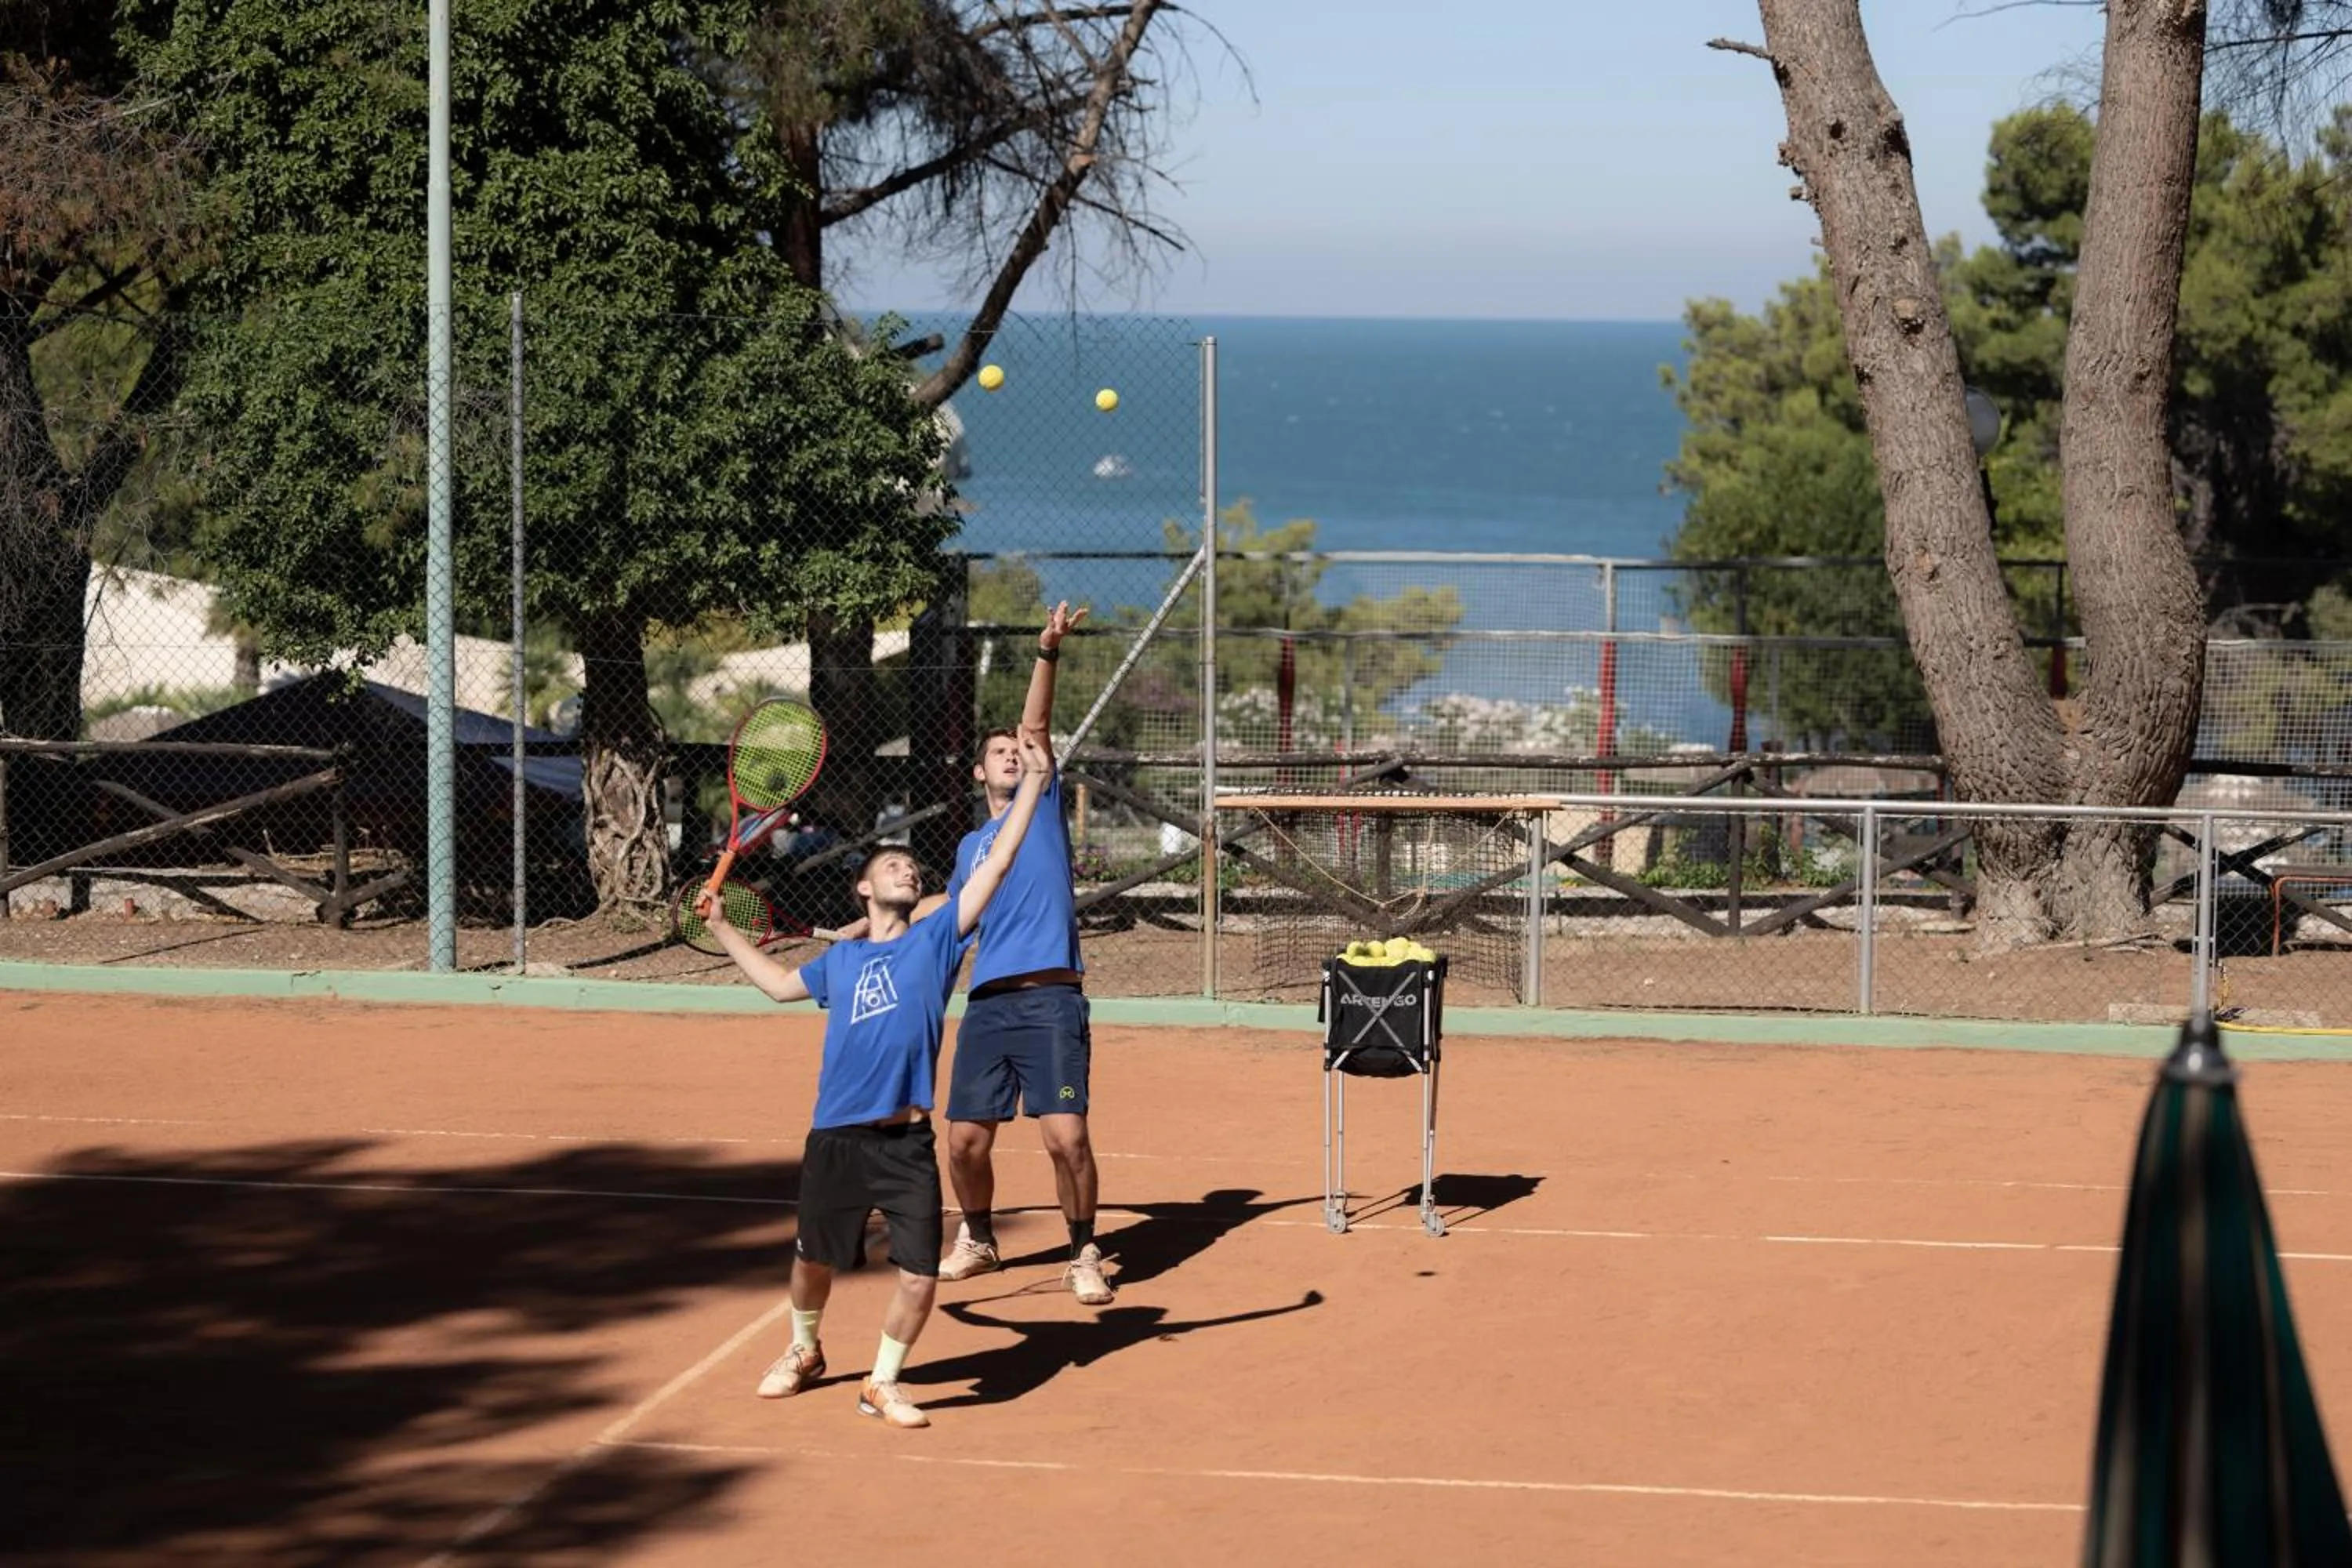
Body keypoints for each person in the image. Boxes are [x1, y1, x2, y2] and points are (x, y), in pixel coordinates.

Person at [699, 731, 1052, 1429]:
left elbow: (1002, 856)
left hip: (906, 1143)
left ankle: (882, 1382)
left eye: (913, 868)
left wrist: (1035, 784)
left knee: (920, 1273)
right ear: (863, 887)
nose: (908, 872)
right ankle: (804, 1350)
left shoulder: (939, 937)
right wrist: (721, 929)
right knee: (814, 1261)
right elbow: (775, 985)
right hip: (836, 1134)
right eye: (893, 865)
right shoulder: (841, 961)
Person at [934, 600, 1115, 1305]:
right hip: (987, 1006)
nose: (1013, 754)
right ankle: (977, 1238)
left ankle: (1082, 1251)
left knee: (1065, 1137)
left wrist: (1047, 651)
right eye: (1000, 753)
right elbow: (954, 921)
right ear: (980, 774)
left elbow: (1036, 726)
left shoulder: (1038, 806)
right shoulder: (966, 849)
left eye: (1019, 751)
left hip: (1050, 1001)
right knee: (963, 1144)